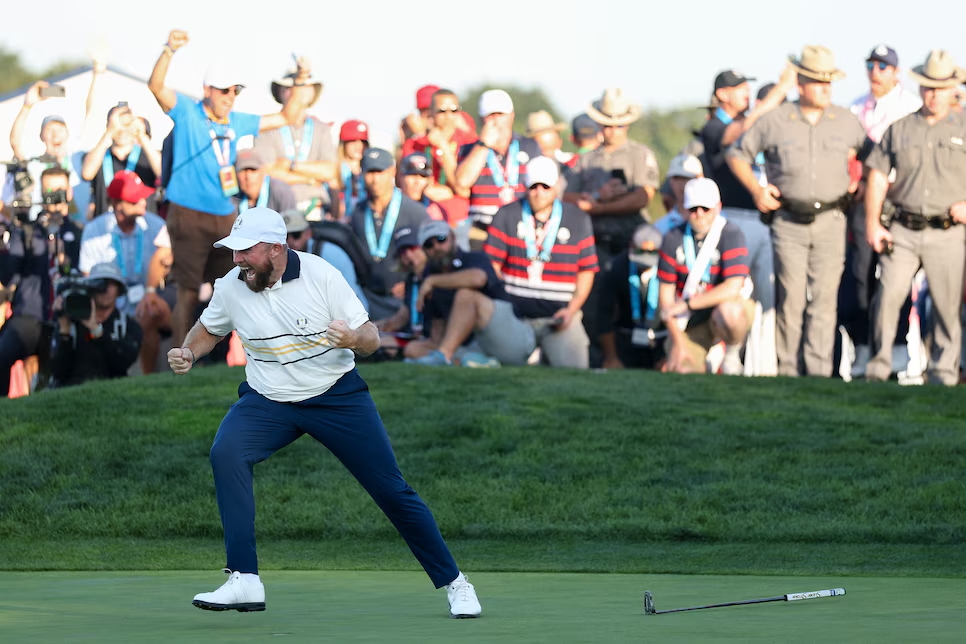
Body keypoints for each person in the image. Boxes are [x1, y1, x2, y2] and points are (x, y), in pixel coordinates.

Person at [167, 206, 481, 618]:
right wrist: (190, 350)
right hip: (269, 399)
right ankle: (244, 578)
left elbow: (370, 337)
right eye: (234, 250)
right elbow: (210, 328)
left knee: (391, 490)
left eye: (246, 251)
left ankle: (456, 583)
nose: (237, 259)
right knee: (227, 452)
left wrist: (351, 337)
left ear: (277, 248)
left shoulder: (321, 275)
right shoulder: (231, 285)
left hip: (336, 397)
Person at [147, 28, 299, 348]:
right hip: (187, 213)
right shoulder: (188, 110)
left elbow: (287, 116)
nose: (230, 97)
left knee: (234, 284)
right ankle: (182, 358)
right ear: (207, 90)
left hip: (224, 215)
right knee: (187, 290)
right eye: (224, 90)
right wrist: (169, 50)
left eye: (235, 91)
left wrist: (301, 78)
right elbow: (156, 86)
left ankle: (230, 358)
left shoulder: (237, 119)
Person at [727, 45, 868, 377]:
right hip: (788, 220)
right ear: (800, 83)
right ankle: (789, 371)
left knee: (824, 299)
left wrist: (859, 184)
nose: (825, 88)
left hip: (832, 219)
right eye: (818, 81)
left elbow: (873, 157)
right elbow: (737, 154)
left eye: (829, 82)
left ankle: (818, 373)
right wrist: (757, 189)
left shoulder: (845, 120)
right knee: (790, 298)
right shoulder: (777, 120)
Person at [864, 50, 966, 386]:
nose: (933, 94)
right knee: (888, 297)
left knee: (946, 307)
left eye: (940, 87)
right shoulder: (900, 128)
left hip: (947, 231)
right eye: (928, 86)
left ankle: (943, 374)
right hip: (903, 229)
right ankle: (879, 368)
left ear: (953, 88)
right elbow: (878, 175)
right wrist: (872, 223)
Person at [563, 87, 660, 366]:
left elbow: (643, 196)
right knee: (595, 307)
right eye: (607, 124)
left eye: (617, 125)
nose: (611, 131)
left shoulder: (639, 154)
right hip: (595, 244)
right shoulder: (586, 160)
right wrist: (595, 198)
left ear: (626, 124)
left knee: (635, 304)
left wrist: (599, 206)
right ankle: (599, 359)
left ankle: (639, 359)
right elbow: (566, 195)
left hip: (631, 243)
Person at [843, 45, 923, 374]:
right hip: (863, 203)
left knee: (895, 278)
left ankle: (898, 347)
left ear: (896, 73)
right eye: (871, 65)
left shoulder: (911, 108)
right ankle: (863, 347)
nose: (876, 72)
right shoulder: (855, 108)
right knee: (861, 278)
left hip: (900, 201)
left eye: (883, 67)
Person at [484, 156, 599, 368]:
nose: (539, 192)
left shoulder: (577, 219)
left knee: (574, 373)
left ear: (556, 187)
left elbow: (586, 271)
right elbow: (492, 265)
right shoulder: (507, 214)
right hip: (514, 316)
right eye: (533, 186)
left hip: (560, 317)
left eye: (545, 187)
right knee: (501, 367)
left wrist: (572, 309)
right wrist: (504, 303)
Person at [0, 167, 83, 396]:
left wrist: (66, 260)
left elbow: (83, 274)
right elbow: (8, 276)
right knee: (3, 353)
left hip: (66, 317)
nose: (53, 196)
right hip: (30, 315)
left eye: (59, 190)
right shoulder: (27, 231)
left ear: (69, 192)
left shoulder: (78, 232)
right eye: (49, 190)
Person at [657, 178, 753, 375]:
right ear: (684, 210)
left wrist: (688, 304)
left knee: (730, 313)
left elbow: (733, 287)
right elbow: (666, 304)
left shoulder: (731, 234)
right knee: (682, 369)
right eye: (693, 209)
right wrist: (678, 342)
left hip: (723, 311)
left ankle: (732, 352)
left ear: (718, 207)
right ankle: (704, 362)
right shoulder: (672, 238)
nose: (699, 215)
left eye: (705, 208)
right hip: (690, 321)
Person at [403, 220, 507, 368]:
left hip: (501, 333)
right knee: (412, 349)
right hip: (464, 342)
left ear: (452, 237)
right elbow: (436, 333)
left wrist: (432, 281)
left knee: (465, 295)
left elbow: (478, 278)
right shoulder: (430, 275)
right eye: (429, 245)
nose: (437, 247)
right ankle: (467, 358)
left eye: (441, 239)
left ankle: (447, 356)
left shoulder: (474, 258)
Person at [347, 149, 430, 320]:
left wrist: (413, 284)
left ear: (392, 171)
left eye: (380, 172)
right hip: (365, 298)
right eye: (370, 172)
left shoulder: (416, 212)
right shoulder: (358, 212)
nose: (375, 179)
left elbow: (433, 256)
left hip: (403, 303)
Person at [454, 89, 541, 246]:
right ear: (482, 119)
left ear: (511, 116)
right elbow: (462, 182)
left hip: (522, 227)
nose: (495, 121)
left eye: (500, 114)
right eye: (490, 116)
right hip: (481, 230)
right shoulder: (469, 150)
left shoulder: (530, 146)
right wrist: (483, 145)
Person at [255, 62, 337, 221]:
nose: (296, 94)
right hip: (277, 211)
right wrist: (310, 178)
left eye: (302, 88)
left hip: (315, 210)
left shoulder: (322, 129)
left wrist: (292, 166)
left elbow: (329, 171)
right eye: (290, 88)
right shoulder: (267, 127)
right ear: (281, 92)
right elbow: (267, 171)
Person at [49, 262, 142, 388]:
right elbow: (58, 372)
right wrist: (64, 330)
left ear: (119, 290)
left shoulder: (127, 325)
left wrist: (96, 330)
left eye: (111, 284)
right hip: (74, 389)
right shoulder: (72, 322)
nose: (105, 289)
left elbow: (123, 363)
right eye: (100, 284)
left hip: (113, 389)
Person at [598, 224, 667, 370]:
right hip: (625, 339)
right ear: (631, 246)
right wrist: (612, 357)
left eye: (650, 253)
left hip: (662, 340)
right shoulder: (616, 267)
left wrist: (670, 354)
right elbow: (603, 314)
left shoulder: (668, 265)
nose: (645, 260)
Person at [80, 103, 161, 219]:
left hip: (142, 225)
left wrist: (142, 136)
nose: (122, 130)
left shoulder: (148, 155)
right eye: (116, 125)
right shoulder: (98, 155)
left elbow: (162, 173)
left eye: (127, 124)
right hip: (107, 225)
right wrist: (108, 133)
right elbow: (87, 174)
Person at [280, 208, 368, 308]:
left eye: (296, 235)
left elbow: (350, 295)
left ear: (308, 233)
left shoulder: (331, 254)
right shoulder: (280, 258)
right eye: (285, 236)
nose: (290, 241)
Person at [233, 148, 297, 214]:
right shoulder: (232, 197)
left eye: (253, 170)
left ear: (263, 171)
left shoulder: (282, 191)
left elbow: (292, 223)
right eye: (242, 171)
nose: (248, 177)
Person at [335, 120, 370, 220]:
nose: (359, 146)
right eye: (353, 141)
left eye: (363, 141)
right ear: (344, 144)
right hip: (339, 224)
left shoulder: (370, 172)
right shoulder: (335, 169)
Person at [398, 153, 448, 221]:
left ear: (430, 180)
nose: (417, 181)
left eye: (423, 176)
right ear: (400, 177)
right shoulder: (390, 204)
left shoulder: (434, 211)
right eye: (413, 175)